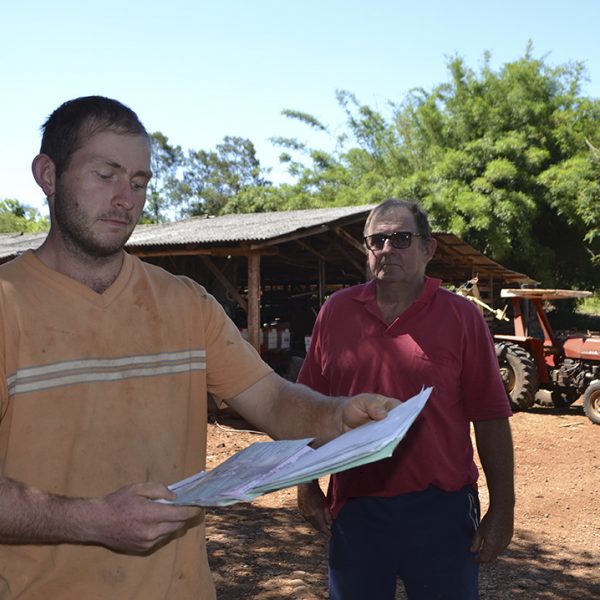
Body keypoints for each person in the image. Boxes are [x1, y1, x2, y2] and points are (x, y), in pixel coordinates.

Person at [0, 96, 399, 599]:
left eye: (140, 182)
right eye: (106, 175)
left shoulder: (184, 303)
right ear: (48, 175)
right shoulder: (8, 307)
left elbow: (272, 400)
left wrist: (336, 417)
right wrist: (90, 520)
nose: (126, 197)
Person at [296, 199, 515, 600]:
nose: (387, 250)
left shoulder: (462, 317)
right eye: (377, 240)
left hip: (441, 511)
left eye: (400, 239)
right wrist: (306, 484)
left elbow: (490, 417)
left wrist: (503, 508)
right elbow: (309, 405)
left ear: (428, 249)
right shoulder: (335, 313)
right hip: (356, 507)